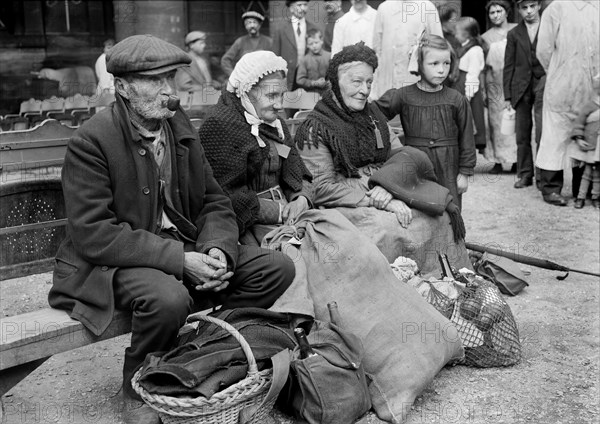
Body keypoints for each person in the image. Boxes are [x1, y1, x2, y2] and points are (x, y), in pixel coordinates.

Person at [47, 35, 295, 424]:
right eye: (154, 81)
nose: (167, 90)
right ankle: (138, 388)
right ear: (123, 88)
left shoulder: (177, 126)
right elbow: (94, 234)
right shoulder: (92, 141)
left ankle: (201, 355)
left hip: (180, 246)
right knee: (168, 298)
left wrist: (217, 249)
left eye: (170, 79)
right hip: (111, 261)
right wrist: (181, 259)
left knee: (275, 269)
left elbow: (215, 201)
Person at [295, 42, 471, 269]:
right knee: (389, 228)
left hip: (388, 188)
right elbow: (321, 188)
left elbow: (401, 154)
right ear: (335, 83)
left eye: (369, 82)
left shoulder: (373, 116)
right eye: (356, 82)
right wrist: (376, 200)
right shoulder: (317, 128)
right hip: (346, 202)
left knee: (438, 215)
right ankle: (400, 287)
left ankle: (446, 278)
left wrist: (388, 187)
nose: (365, 90)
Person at [199, 50, 313, 246]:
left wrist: (301, 199)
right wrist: (278, 212)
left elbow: (298, 171)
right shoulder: (220, 125)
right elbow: (224, 196)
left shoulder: (276, 124)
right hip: (250, 224)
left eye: (282, 95)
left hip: (291, 214)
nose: (279, 105)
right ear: (246, 90)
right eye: (271, 95)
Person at [375, 34, 476, 210]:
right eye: (434, 64)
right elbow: (375, 113)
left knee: (449, 208)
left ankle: (451, 238)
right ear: (419, 64)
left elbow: (467, 138)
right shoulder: (404, 95)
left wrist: (465, 173)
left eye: (446, 63)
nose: (441, 70)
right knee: (418, 206)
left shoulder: (456, 99)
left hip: (448, 165)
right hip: (416, 164)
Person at [536, 0, 599, 206]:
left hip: (593, 85)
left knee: (587, 131)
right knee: (555, 135)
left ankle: (584, 188)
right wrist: (559, 72)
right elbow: (543, 49)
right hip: (562, 85)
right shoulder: (557, 7)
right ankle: (551, 188)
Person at [503, 0, 545, 191]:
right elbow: (508, 65)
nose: (529, 11)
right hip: (520, 88)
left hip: (544, 85)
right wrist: (507, 97)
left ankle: (543, 175)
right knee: (522, 135)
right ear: (518, 10)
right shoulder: (513, 34)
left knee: (543, 133)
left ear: (538, 6)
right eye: (524, 8)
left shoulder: (548, 27)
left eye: (532, 6)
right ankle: (525, 174)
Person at [370, 0, 443, 100]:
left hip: (417, 84)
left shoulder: (427, 7)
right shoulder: (384, 8)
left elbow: (439, 49)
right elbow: (377, 50)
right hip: (386, 87)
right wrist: (374, 89)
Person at [482, 0, 517, 174]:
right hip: (494, 84)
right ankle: (497, 160)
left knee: (515, 121)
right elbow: (482, 66)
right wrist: (482, 89)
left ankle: (517, 160)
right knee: (495, 123)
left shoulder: (517, 30)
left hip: (514, 81)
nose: (496, 15)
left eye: (499, 11)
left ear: (507, 12)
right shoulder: (485, 37)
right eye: (492, 12)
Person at [454, 17, 487, 154]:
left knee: (468, 123)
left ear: (466, 34)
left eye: (457, 32)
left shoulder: (475, 50)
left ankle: (467, 156)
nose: (455, 35)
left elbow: (473, 74)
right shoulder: (462, 48)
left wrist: (468, 95)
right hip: (458, 86)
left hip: (467, 89)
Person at [271, 0, 319, 91]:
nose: (303, 8)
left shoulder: (313, 28)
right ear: (291, 9)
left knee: (307, 102)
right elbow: (275, 56)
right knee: (288, 101)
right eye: (299, 5)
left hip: (307, 75)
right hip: (288, 74)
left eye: (305, 5)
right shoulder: (280, 29)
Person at [569, 73, 600, 209]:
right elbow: (579, 123)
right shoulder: (590, 106)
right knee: (587, 173)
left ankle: (595, 198)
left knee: (598, 175)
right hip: (590, 146)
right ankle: (580, 197)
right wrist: (579, 138)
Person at [220, 5, 273, 77]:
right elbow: (225, 60)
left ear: (260, 25)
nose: (252, 25)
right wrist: (234, 76)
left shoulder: (269, 42)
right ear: (245, 26)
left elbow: (276, 62)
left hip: (264, 80)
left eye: (254, 22)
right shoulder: (240, 42)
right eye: (248, 23)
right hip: (245, 81)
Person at [296, 28, 330, 93]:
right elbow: (299, 80)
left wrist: (327, 83)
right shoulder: (304, 60)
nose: (314, 46)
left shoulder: (329, 56)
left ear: (321, 41)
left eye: (316, 42)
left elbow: (335, 75)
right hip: (311, 93)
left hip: (328, 92)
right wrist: (314, 83)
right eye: (311, 44)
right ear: (307, 45)